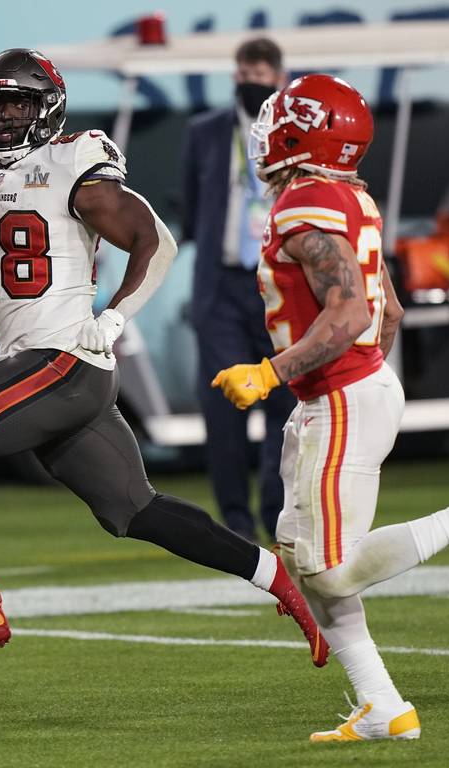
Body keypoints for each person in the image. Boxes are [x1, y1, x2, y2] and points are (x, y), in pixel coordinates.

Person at [0, 48, 325, 665]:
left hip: (64, 356)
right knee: (134, 509)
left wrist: (114, 316)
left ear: (47, 108)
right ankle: (274, 577)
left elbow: (156, 241)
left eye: (18, 104)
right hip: (38, 362)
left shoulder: (73, 161)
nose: (5, 117)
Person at [211, 74, 449, 743]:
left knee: (326, 566)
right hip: (350, 392)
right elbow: (390, 310)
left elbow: (351, 311)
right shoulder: (348, 195)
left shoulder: (306, 203)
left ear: (303, 131)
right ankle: (383, 706)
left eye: (281, 119)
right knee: (306, 555)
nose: (267, 132)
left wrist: (273, 372)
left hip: (341, 397)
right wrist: (352, 379)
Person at [181, 37, 294, 541]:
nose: (251, 80)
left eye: (261, 72)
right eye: (244, 72)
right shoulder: (205, 133)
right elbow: (190, 205)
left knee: (284, 403)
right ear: (235, 76)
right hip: (222, 286)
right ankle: (235, 521)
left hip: (278, 284)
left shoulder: (293, 135)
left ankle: (276, 511)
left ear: (279, 78)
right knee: (224, 404)